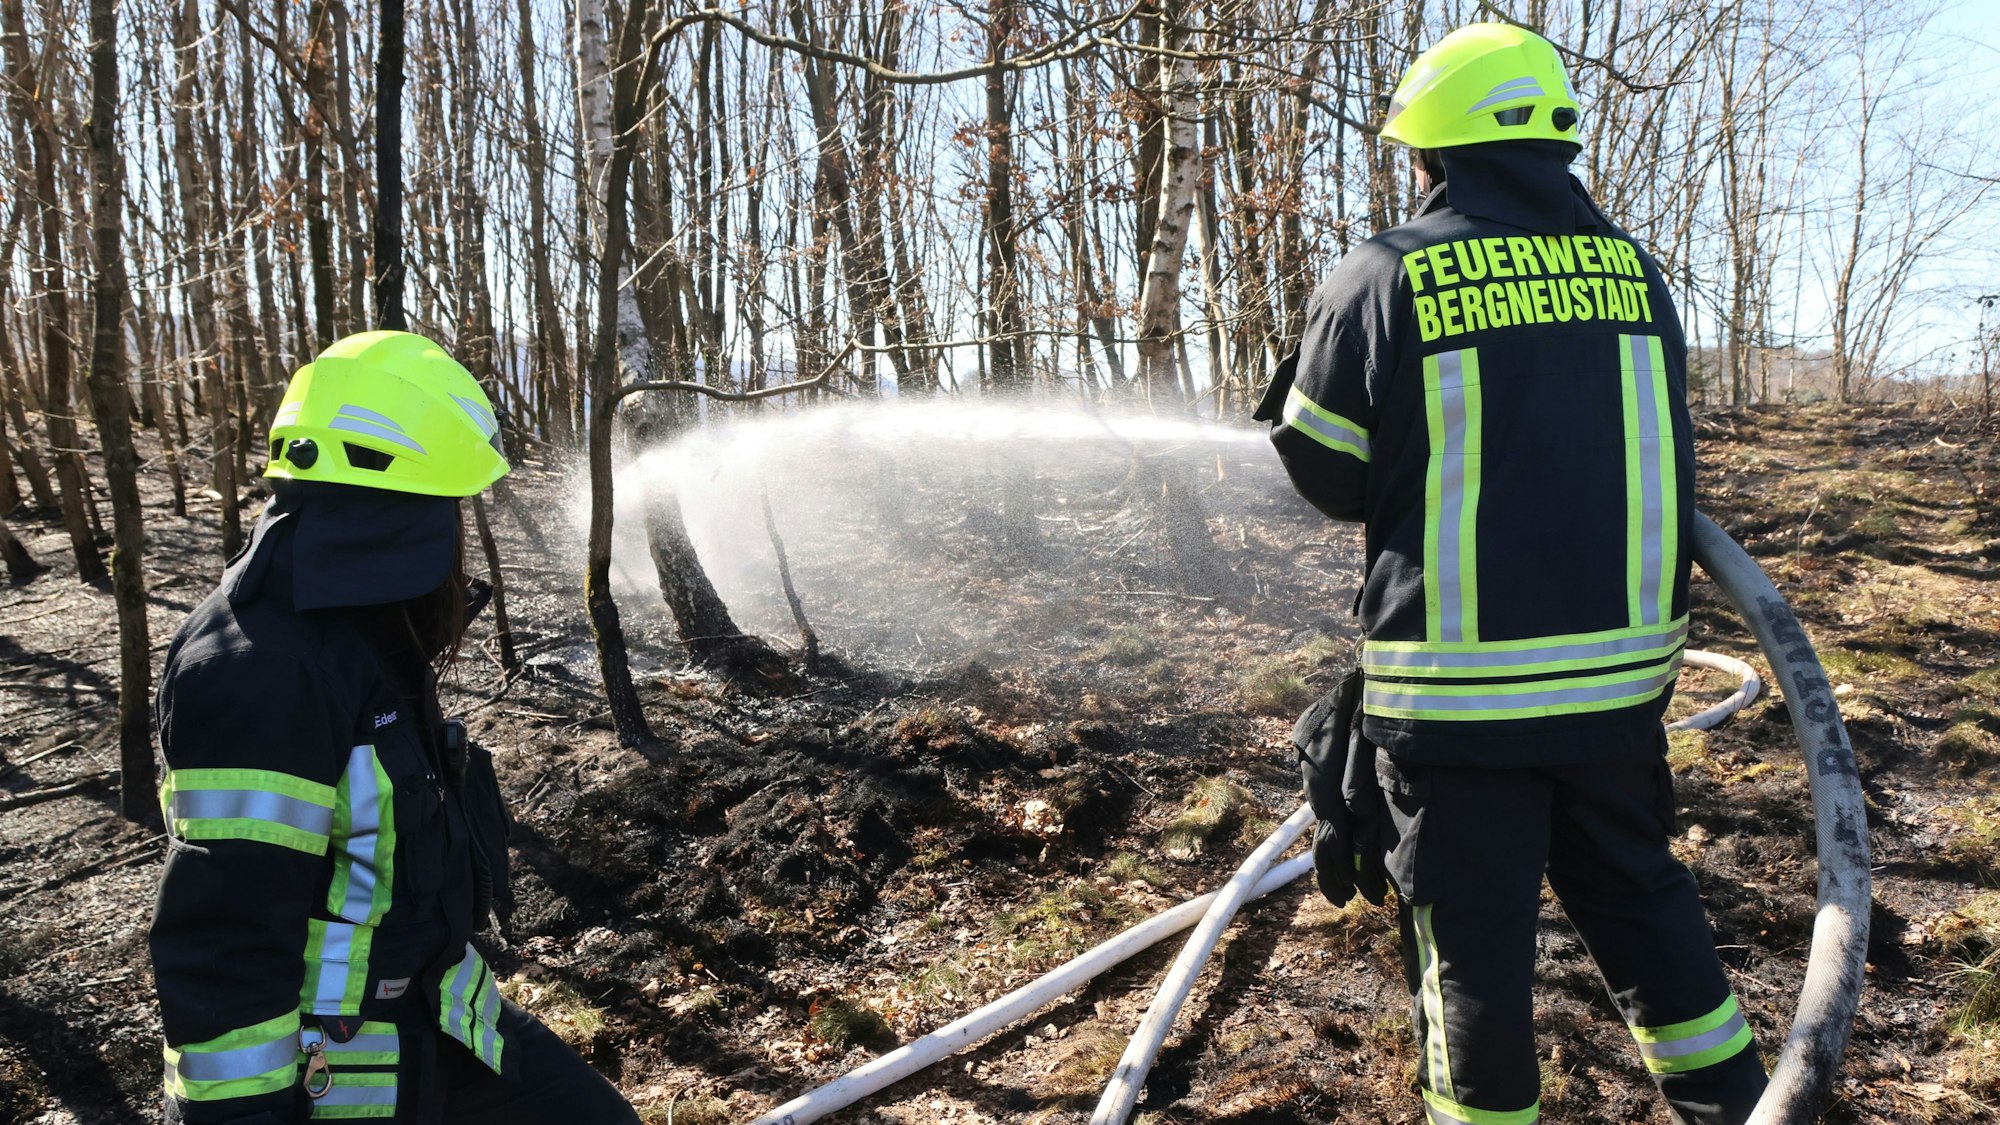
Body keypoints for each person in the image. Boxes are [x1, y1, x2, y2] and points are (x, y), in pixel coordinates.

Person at [1256, 23, 1768, 1125]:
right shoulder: (1632, 272)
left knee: (1472, 964)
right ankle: (1737, 1105)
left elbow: (1328, 473)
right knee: (1640, 904)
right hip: (1618, 695)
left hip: (1455, 708)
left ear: (1430, 152)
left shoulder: (1386, 273)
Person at [150, 331, 640, 1124]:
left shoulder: (361, 630)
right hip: (337, 1075)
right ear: (394, 512)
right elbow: (225, 941)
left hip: (439, 1017)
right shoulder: (260, 668)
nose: (457, 535)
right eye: (447, 507)